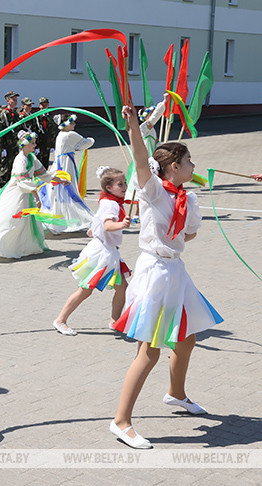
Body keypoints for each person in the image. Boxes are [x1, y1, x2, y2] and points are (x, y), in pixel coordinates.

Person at [108, 105, 224, 449]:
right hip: (154, 271)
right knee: (150, 351)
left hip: (175, 270)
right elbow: (143, 162)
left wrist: (185, 218)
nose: (194, 167)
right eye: (189, 162)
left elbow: (187, 237)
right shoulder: (155, 189)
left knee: (186, 338)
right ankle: (121, 421)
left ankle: (176, 394)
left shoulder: (186, 197)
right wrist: (133, 127)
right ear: (174, 165)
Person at [52, 166, 132, 336]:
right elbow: (107, 225)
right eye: (120, 184)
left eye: (125, 183)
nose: (124, 186)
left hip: (107, 251)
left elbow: (98, 222)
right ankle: (60, 320)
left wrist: (94, 230)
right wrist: (121, 224)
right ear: (109, 188)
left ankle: (114, 321)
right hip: (101, 253)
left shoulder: (108, 200)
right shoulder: (111, 204)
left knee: (122, 286)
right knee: (85, 290)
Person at [0, 131, 67, 259]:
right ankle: (4, 245)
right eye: (32, 143)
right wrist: (36, 196)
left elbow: (44, 174)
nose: (35, 145)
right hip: (16, 192)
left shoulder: (32, 158)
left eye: (34, 143)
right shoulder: (20, 159)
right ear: (24, 145)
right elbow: (23, 180)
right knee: (10, 219)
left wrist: (61, 180)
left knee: (25, 221)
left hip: (26, 192)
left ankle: (23, 246)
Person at [38, 114, 95, 233]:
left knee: (58, 191)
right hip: (66, 164)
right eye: (72, 122)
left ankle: (60, 218)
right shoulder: (70, 135)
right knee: (69, 189)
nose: (74, 124)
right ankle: (74, 218)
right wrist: (91, 139)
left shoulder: (60, 135)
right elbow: (86, 143)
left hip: (59, 163)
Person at [34, 97, 58, 168]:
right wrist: (36, 146)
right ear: (39, 105)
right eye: (42, 104)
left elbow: (53, 131)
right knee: (37, 164)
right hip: (39, 144)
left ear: (48, 105)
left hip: (47, 144)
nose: (44, 106)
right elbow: (34, 131)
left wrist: (52, 145)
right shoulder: (36, 117)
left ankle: (45, 178)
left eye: (45, 104)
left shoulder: (50, 116)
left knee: (45, 163)